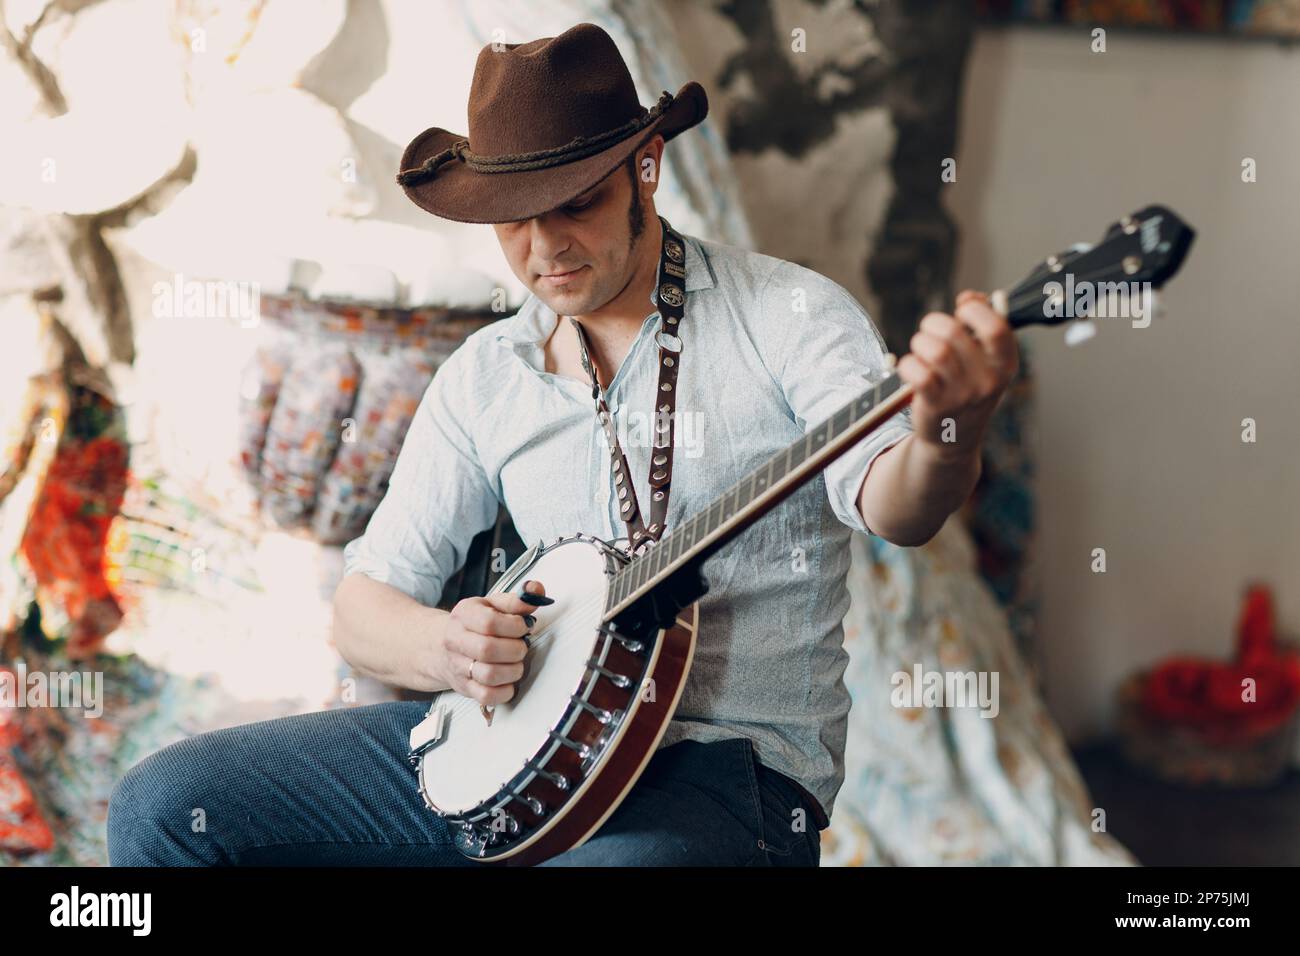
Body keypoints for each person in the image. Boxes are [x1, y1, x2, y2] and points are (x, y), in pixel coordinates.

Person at [108, 22, 1017, 867]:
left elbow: (897, 508)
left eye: (575, 204)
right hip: (499, 748)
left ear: (647, 167)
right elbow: (362, 607)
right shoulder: (486, 372)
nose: (546, 249)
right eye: (513, 217)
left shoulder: (790, 315)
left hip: (717, 772)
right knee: (163, 805)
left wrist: (951, 427)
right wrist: (446, 649)